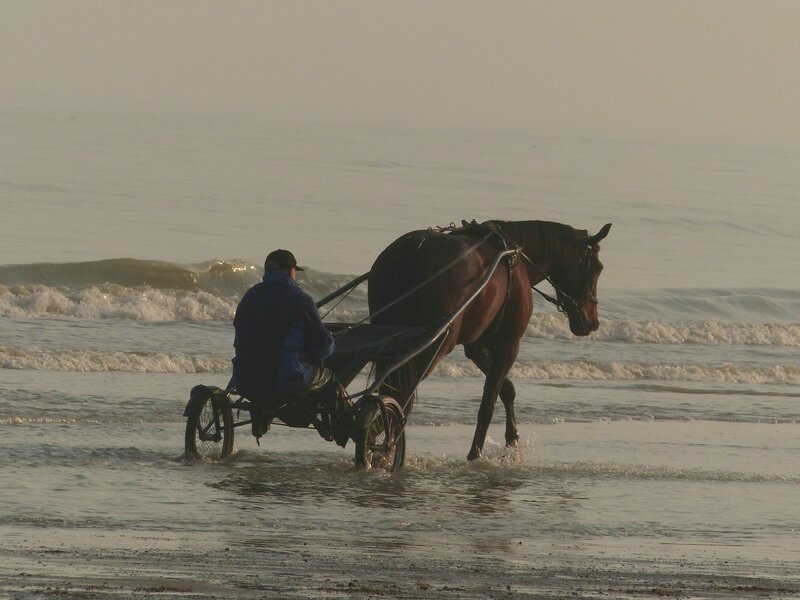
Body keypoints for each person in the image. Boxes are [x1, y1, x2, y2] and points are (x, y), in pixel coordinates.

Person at [232, 249, 346, 442]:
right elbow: (323, 348)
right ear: (291, 272)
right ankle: (343, 431)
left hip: (244, 380)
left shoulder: (250, 296)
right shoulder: (301, 300)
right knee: (331, 380)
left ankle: (263, 413)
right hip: (283, 382)